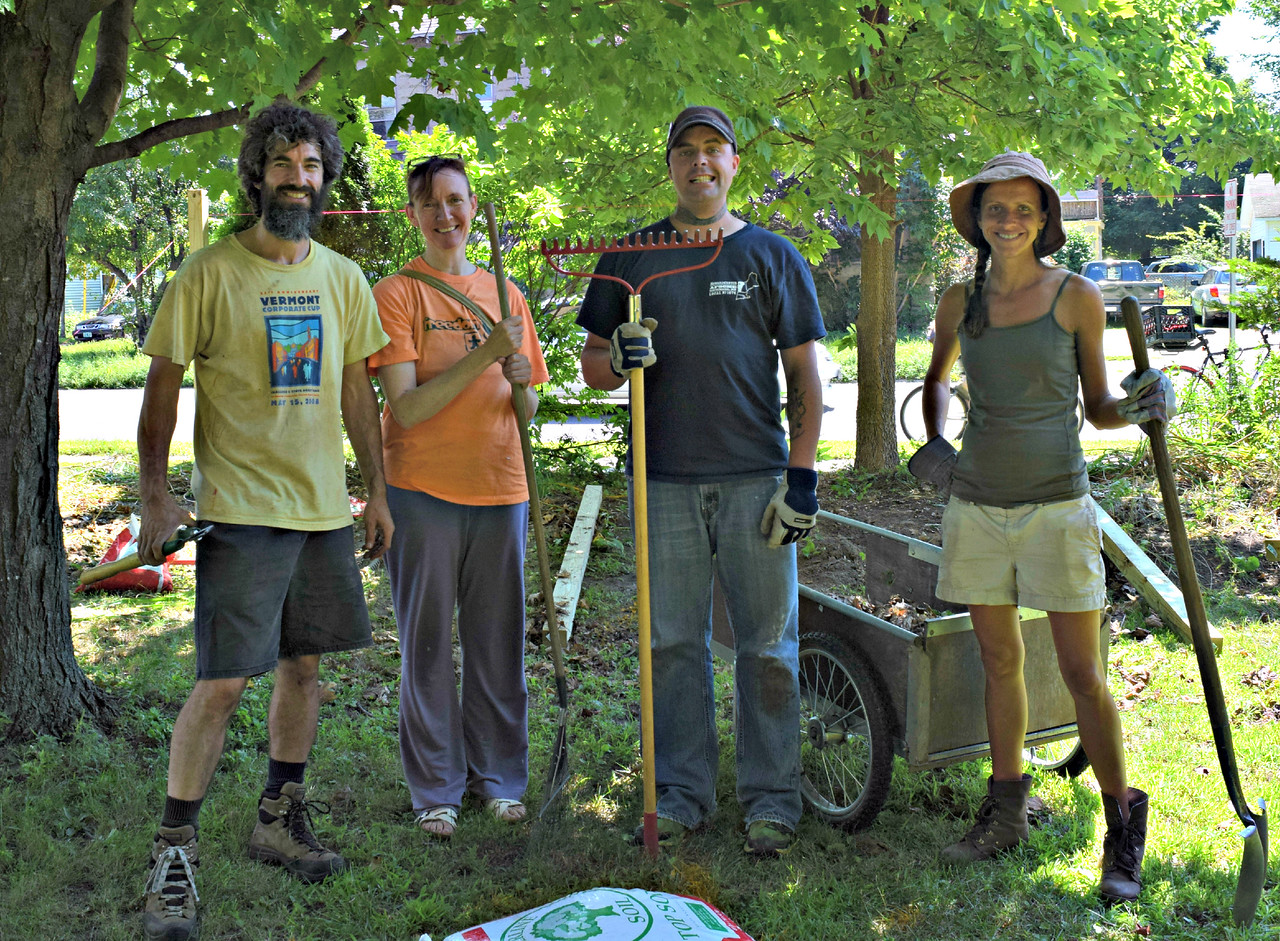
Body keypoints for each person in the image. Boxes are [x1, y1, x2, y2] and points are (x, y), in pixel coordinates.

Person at [135, 100, 394, 940]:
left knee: (304, 671)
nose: (298, 178)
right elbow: (164, 386)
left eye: (312, 166)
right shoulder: (209, 272)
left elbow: (358, 391)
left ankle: (278, 818)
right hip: (242, 512)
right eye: (284, 163)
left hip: (322, 511)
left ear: (326, 180)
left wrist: (377, 490)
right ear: (258, 174)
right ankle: (173, 857)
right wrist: (154, 493)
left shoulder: (343, 279)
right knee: (221, 683)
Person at [911, 151, 1174, 902]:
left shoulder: (1076, 297)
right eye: (997, 208)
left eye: (1025, 209)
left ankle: (1122, 828)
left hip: (1058, 505)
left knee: (1083, 672)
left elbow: (1098, 408)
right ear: (978, 219)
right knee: (999, 662)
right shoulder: (960, 301)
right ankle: (1005, 813)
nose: (1010, 220)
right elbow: (933, 380)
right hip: (978, 506)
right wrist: (933, 445)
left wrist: (1145, 401)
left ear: (1046, 220)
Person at [577, 105, 826, 857]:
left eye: (713, 150)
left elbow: (807, 382)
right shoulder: (631, 256)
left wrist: (803, 479)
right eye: (685, 151)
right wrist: (617, 357)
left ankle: (772, 798)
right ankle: (681, 791)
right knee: (672, 643)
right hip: (664, 481)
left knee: (767, 645)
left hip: (757, 480)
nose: (700, 165)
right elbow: (591, 370)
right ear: (670, 166)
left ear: (734, 163)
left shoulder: (773, 258)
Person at [369, 156, 549, 840]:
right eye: (429, 203)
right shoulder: (398, 295)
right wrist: (483, 356)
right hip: (422, 491)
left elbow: (525, 406)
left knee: (497, 642)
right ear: (412, 215)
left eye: (455, 200)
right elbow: (406, 409)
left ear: (473, 206)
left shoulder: (509, 294)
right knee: (425, 643)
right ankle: (436, 787)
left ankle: (500, 777)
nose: (445, 215)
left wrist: (520, 377)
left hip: (501, 487)